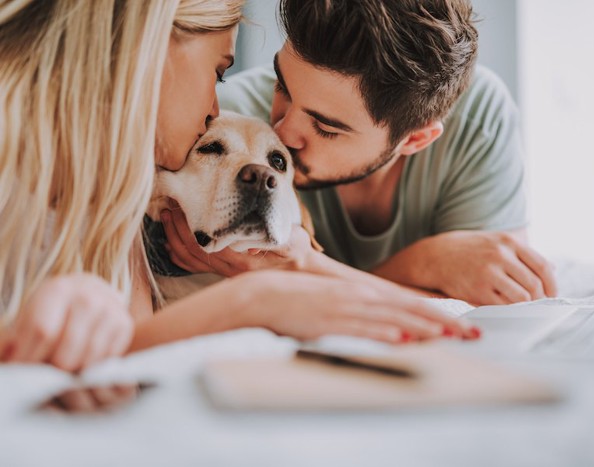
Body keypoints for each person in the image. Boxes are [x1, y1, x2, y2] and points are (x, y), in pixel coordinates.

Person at [0, 0, 478, 373]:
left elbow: (130, 349)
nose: (285, 133)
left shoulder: (120, 177)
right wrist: (256, 300)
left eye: (327, 127)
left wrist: (295, 270)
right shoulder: (152, 161)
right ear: (147, 50)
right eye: (219, 72)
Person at [162, 0, 559, 306]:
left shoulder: (478, 121)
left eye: (326, 126)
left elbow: (495, 314)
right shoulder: (223, 119)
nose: (283, 131)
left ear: (414, 141)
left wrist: (308, 268)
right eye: (283, 85)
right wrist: (421, 268)